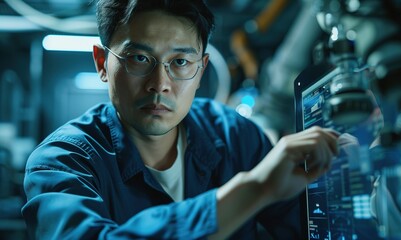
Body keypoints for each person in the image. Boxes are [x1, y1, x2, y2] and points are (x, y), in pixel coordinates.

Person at [21, 0, 339, 239]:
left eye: (181, 61)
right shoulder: (61, 162)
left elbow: (307, 227)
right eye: (140, 58)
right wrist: (253, 189)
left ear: (201, 69)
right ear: (103, 63)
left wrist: (347, 178)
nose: (160, 82)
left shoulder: (234, 137)